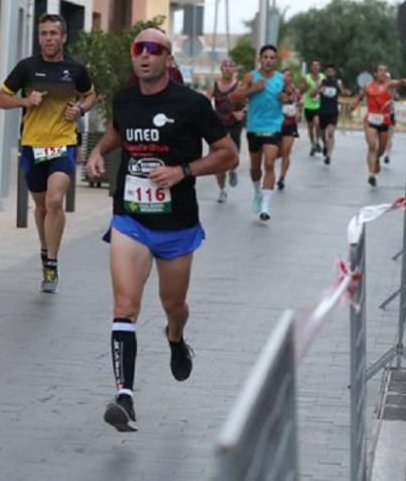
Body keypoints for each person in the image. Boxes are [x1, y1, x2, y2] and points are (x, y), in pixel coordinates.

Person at [84, 28, 238, 432]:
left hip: (176, 224)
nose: (145, 56)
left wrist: (183, 171)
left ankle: (175, 337)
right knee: (124, 306)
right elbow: (120, 131)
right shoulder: (124, 98)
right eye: (139, 49)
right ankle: (125, 397)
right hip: (131, 218)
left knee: (174, 306)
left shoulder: (191, 104)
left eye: (155, 49)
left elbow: (228, 155)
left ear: (169, 58)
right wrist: (99, 151)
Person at [0, 13, 96, 293]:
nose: (48, 38)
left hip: (63, 143)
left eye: (53, 33)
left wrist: (81, 110)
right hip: (33, 146)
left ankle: (52, 263)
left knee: (54, 201)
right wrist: (26, 100)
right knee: (40, 207)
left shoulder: (75, 70)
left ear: (63, 37)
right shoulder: (27, 68)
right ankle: (44, 248)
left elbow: (90, 95)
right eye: (44, 34)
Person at [230, 44, 284, 221]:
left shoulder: (280, 79)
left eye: (272, 58)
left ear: (275, 60)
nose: (268, 60)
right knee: (255, 168)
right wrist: (253, 89)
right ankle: (257, 193)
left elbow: (291, 96)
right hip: (254, 127)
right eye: (266, 57)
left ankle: (266, 206)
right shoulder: (250, 76)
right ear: (260, 59)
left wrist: (287, 98)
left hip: (274, 126)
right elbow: (235, 97)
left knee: (269, 163)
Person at [352, 65, 406, 187]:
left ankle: (377, 159)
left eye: (385, 71)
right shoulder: (368, 86)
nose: (383, 73)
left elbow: (397, 83)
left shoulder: (388, 85)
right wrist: (354, 105)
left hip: (384, 121)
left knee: (382, 149)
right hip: (370, 120)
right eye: (380, 71)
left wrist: (403, 82)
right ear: (375, 73)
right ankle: (371, 174)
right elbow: (360, 97)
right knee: (372, 146)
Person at [205, 58, 245, 202]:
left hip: (234, 124)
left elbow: (252, 102)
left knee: (233, 155)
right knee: (217, 160)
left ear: (234, 70)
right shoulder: (214, 86)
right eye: (225, 66)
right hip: (218, 126)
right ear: (221, 69)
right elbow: (204, 103)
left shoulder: (240, 86)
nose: (228, 68)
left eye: (230, 66)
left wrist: (242, 112)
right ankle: (222, 190)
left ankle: (233, 169)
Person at [313, 63, 348, 166]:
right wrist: (319, 90)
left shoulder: (338, 82)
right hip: (322, 111)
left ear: (334, 72)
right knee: (323, 134)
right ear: (325, 73)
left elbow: (344, 93)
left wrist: (345, 91)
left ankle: (329, 156)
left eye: (331, 71)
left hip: (333, 112)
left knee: (331, 133)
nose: (330, 73)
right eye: (328, 71)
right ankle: (325, 145)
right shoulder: (321, 82)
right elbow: (312, 94)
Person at [277, 68, 301, 191]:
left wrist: (298, 109)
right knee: (277, 153)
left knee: (286, 151)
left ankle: (282, 177)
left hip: (290, 125)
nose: (288, 77)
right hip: (276, 125)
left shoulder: (295, 91)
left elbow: (298, 104)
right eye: (285, 75)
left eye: (290, 75)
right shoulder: (276, 90)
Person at [302, 60, 324, 156]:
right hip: (308, 105)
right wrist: (305, 86)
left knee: (317, 123)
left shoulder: (323, 77)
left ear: (320, 67)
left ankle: (317, 141)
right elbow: (302, 89)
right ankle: (313, 145)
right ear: (311, 68)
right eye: (313, 66)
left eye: (317, 65)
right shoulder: (306, 77)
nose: (315, 67)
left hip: (319, 105)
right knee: (310, 128)